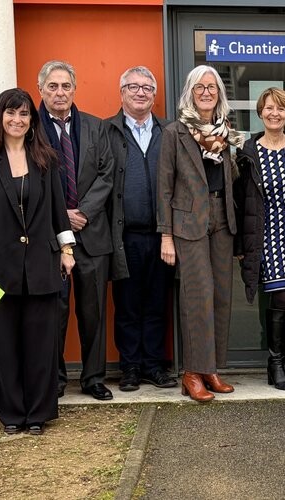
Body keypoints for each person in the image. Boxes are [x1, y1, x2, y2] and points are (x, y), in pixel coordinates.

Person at [0, 88, 76, 435]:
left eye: (24, 114)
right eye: (11, 113)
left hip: (42, 261)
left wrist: (67, 250)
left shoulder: (46, 157)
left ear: (31, 120)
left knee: (41, 343)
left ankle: (38, 413)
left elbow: (58, 208)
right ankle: (11, 413)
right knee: (6, 343)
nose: (17, 120)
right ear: (0, 116)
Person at [157, 65, 245, 402]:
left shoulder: (224, 133)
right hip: (188, 224)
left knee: (222, 294)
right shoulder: (174, 134)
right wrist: (166, 236)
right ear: (190, 93)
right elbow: (164, 189)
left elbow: (230, 179)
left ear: (219, 94)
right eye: (200, 87)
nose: (206, 92)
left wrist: (230, 152)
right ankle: (192, 373)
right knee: (198, 295)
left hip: (222, 217)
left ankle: (211, 368)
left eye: (212, 87)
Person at [35, 61, 116, 401]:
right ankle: (53, 380)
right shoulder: (29, 127)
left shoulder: (96, 127)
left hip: (92, 234)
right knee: (54, 310)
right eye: (52, 86)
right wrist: (61, 217)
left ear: (74, 89)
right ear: (41, 90)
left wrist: (82, 212)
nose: (59, 92)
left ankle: (93, 377)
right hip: (49, 238)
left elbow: (107, 174)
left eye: (65, 86)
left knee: (93, 310)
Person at [107, 66, 178, 392]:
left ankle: (153, 364)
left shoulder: (170, 131)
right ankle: (130, 367)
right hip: (125, 236)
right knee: (128, 303)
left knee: (157, 302)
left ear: (154, 94)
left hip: (163, 235)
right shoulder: (107, 131)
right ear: (122, 92)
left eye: (147, 87)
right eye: (133, 87)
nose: (140, 92)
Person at [235, 87, 285, 390]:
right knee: (280, 297)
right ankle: (275, 362)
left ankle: (282, 360)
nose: (274, 113)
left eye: (280, 108)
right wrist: (241, 244)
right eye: (268, 108)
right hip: (265, 236)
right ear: (260, 112)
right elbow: (240, 201)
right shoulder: (248, 152)